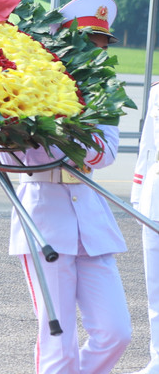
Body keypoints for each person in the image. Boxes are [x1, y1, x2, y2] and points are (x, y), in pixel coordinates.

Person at [4, 0, 130, 374]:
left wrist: (70, 131)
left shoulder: (103, 92)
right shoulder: (32, 86)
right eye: (89, 45)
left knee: (116, 332)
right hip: (44, 215)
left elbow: (105, 152)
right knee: (57, 343)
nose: (96, 55)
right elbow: (12, 160)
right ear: (66, 43)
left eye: (101, 46)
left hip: (91, 220)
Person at [132, 88, 159, 374]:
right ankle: (158, 359)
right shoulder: (158, 92)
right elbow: (148, 145)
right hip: (156, 196)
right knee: (156, 288)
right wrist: (138, 196)